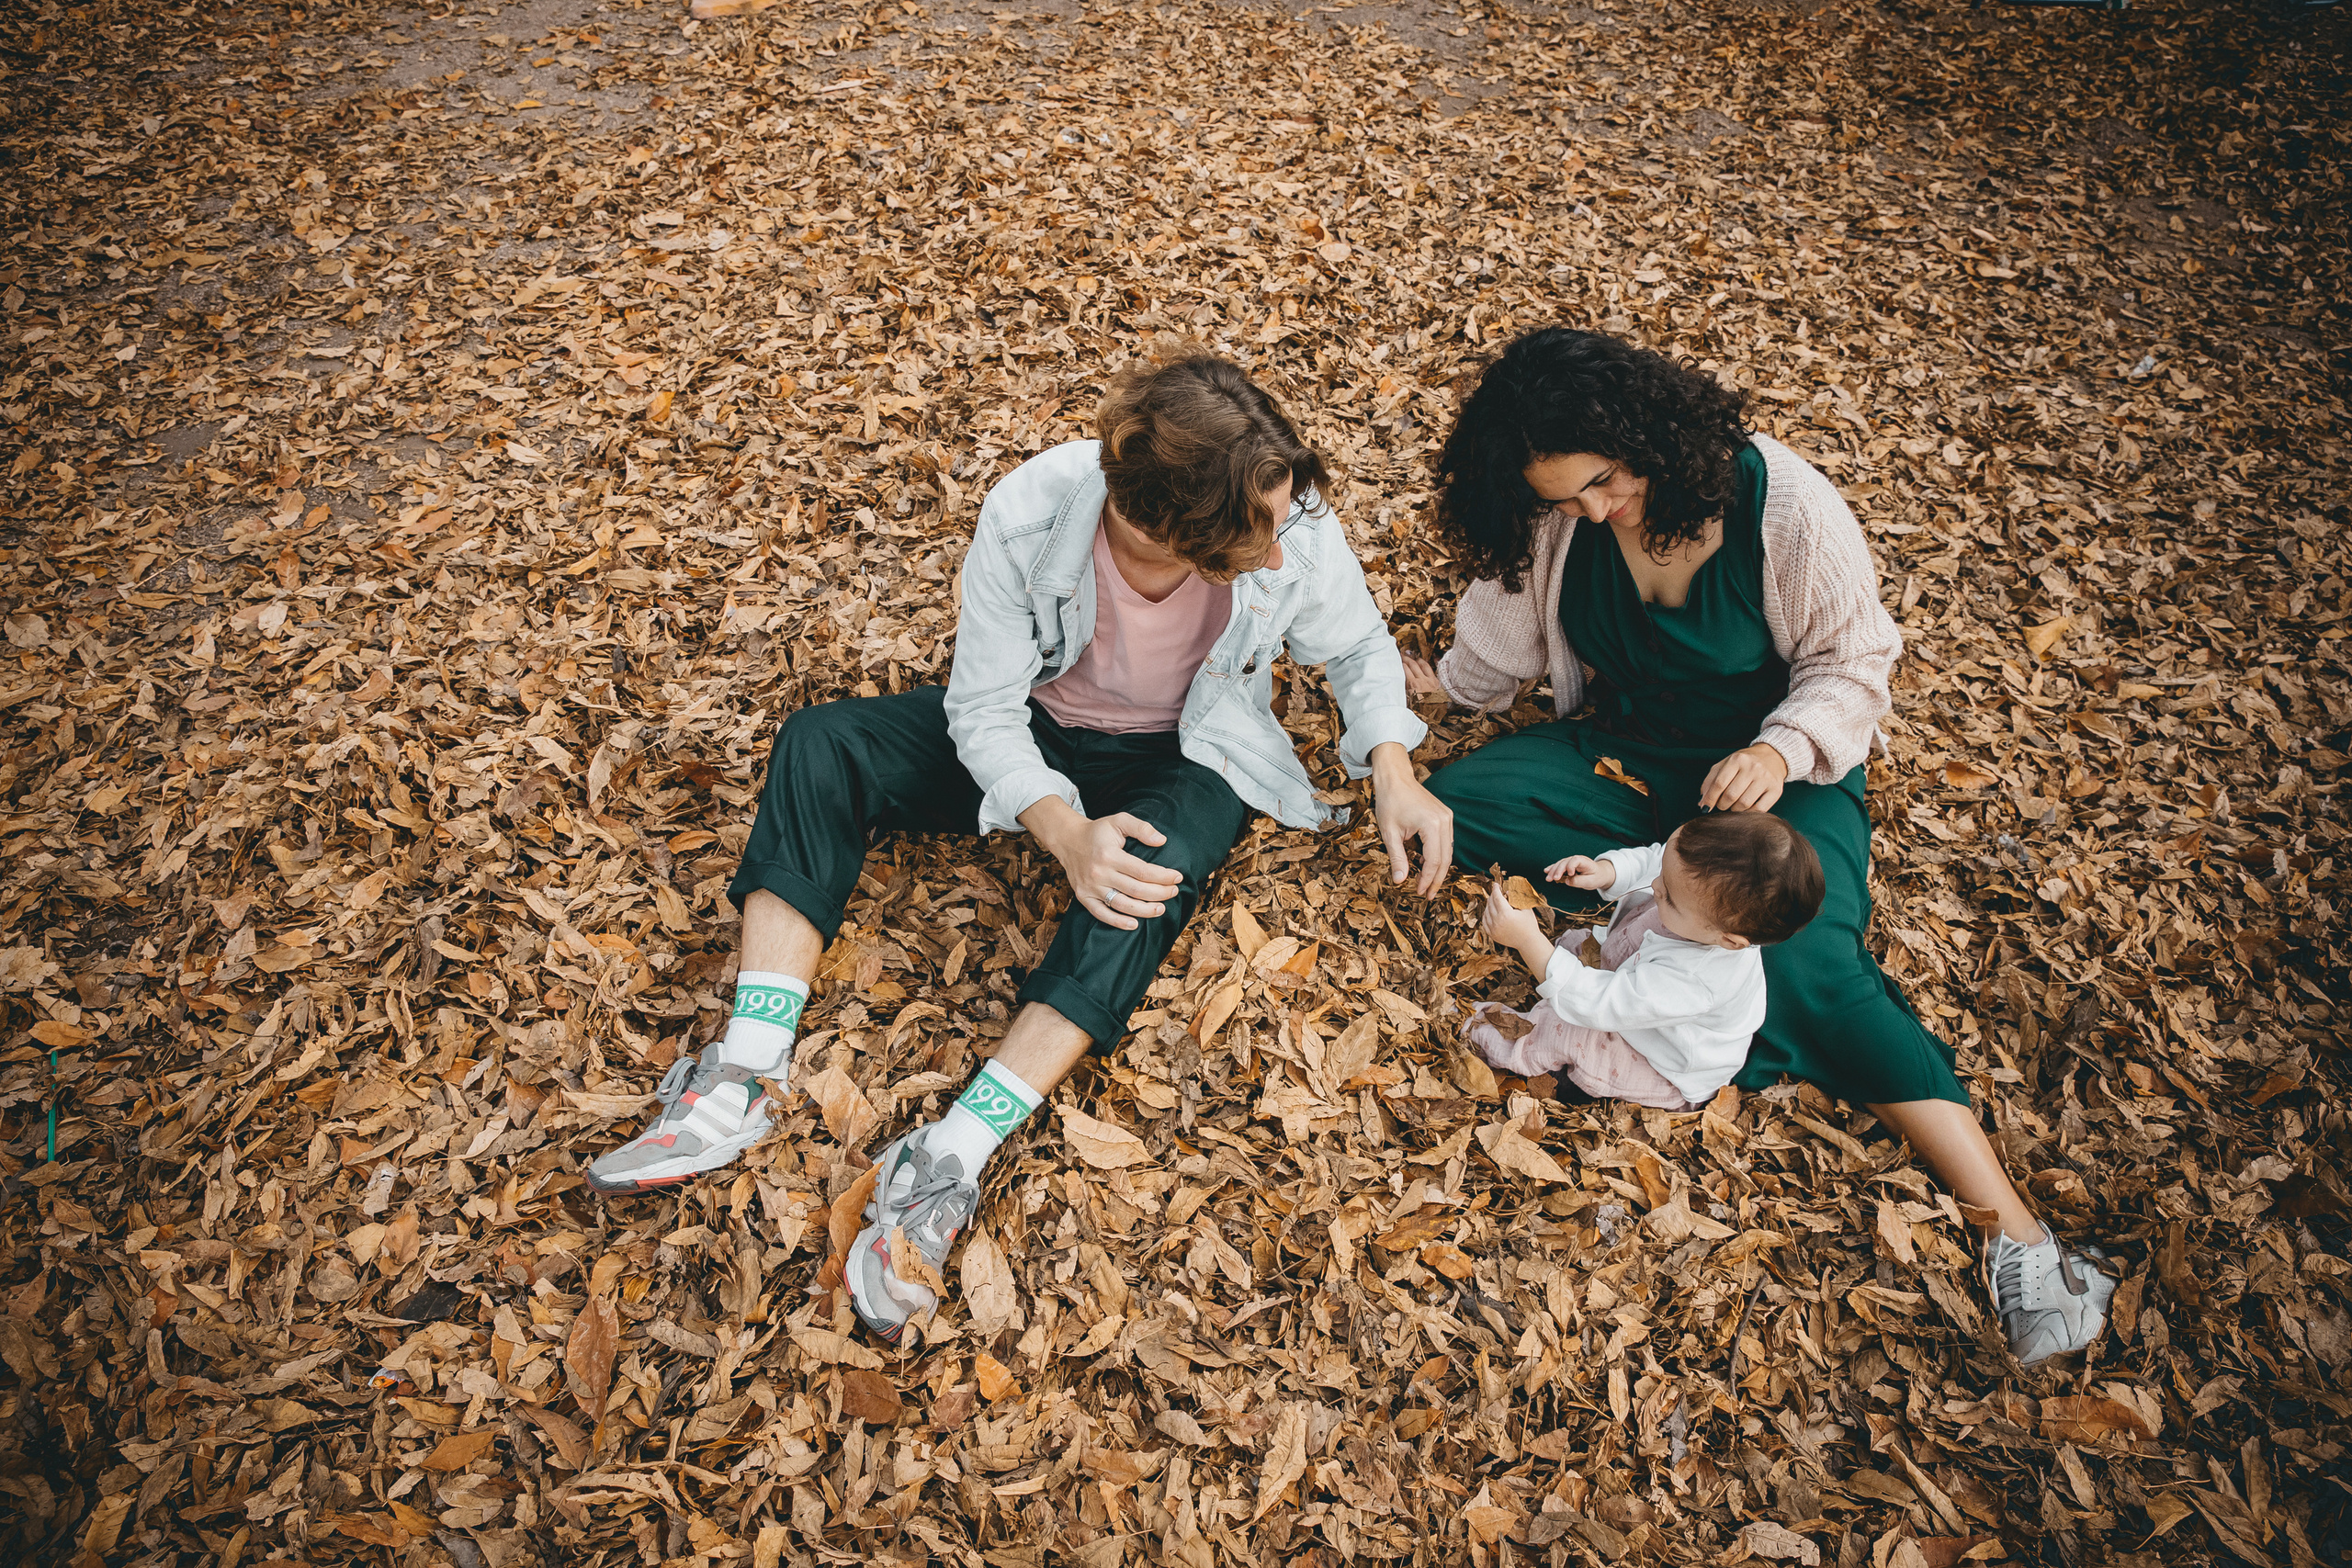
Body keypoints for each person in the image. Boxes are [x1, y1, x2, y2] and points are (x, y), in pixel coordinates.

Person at [582, 352, 1455, 1342]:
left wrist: (1391, 764)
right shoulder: (1032, 510)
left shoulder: (1284, 514)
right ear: (1166, 529)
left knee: (1146, 876)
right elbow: (985, 711)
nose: (1279, 554)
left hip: (1195, 747)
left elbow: (1354, 645)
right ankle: (745, 1071)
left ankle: (954, 1150)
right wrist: (1064, 830)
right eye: (1253, 539)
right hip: (1039, 733)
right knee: (822, 743)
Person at [1407, 325, 2112, 1366]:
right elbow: (1501, 641)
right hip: (1628, 762)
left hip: (1766, 785)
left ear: (1647, 435)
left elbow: (1855, 660)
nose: (1592, 512)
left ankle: (2014, 1233)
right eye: (1566, 499)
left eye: (1602, 482)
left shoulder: (1779, 503)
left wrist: (1781, 752)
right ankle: (1662, 916)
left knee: (1810, 958)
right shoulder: (1560, 521)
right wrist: (1436, 689)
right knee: (1455, 809)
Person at [1472, 812, 1823, 1111]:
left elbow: (1603, 1003)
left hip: (1660, 1059)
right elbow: (1656, 859)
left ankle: (1498, 1044)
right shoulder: (1694, 891)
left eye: (1669, 896)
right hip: (1637, 982)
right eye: (1665, 877)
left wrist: (1527, 941)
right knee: (1579, 948)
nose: (1655, 886)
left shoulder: (1697, 980)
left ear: (1729, 941)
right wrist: (1608, 871)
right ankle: (1564, 981)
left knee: (1573, 1030)